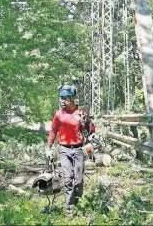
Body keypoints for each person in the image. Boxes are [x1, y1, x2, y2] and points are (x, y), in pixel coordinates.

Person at [45, 83, 95, 219]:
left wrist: (92, 140)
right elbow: (53, 130)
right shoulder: (59, 115)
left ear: (73, 98)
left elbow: (91, 130)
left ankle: (78, 202)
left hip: (79, 149)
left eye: (65, 98)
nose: (62, 101)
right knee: (68, 179)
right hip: (64, 149)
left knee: (78, 180)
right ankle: (69, 208)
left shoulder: (82, 113)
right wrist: (48, 147)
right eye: (61, 98)